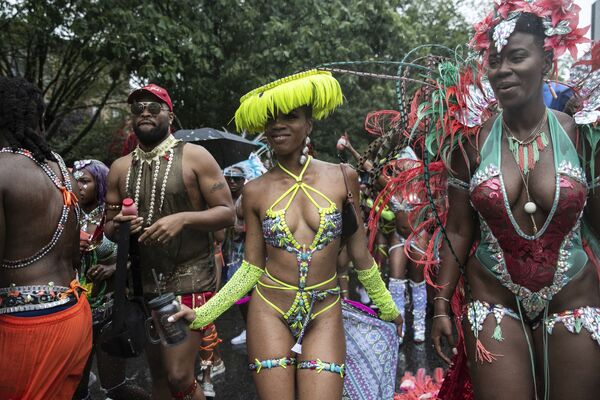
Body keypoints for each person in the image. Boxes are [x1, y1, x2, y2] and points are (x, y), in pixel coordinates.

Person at [170, 70, 403, 399]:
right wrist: (204, 313)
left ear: (309, 124)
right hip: (270, 310)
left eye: (290, 117)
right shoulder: (254, 191)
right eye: (270, 119)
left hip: (324, 309)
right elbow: (251, 267)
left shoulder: (342, 176)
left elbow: (360, 254)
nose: (278, 125)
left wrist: (389, 309)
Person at [427, 5, 600, 399]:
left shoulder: (584, 139)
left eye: (517, 57)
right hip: (493, 299)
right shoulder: (468, 144)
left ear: (547, 60)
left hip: (574, 296)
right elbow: (457, 230)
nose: (502, 70)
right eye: (494, 61)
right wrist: (440, 306)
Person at [104, 84, 235, 400]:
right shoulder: (120, 168)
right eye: (138, 109)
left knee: (179, 376)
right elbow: (107, 228)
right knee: (160, 378)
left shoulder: (196, 157)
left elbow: (227, 213)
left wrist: (183, 219)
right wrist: (119, 225)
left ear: (170, 115)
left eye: (153, 107)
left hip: (190, 278)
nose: (145, 113)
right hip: (143, 285)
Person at [0, 76, 92, 399]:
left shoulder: (3, 169)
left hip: (29, 329)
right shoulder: (60, 168)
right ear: (38, 118)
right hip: (74, 315)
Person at [72, 159, 149, 400]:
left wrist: (112, 268)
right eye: (75, 181)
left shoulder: (115, 218)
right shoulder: (66, 215)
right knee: (76, 391)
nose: (78, 186)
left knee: (115, 389)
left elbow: (139, 258)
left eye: (85, 181)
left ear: (101, 183)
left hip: (108, 314)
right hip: (74, 316)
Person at [222, 165, 249, 345]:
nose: (231, 181)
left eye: (236, 179)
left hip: (248, 254)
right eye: (228, 178)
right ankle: (248, 327)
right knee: (238, 296)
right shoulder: (222, 199)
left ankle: (252, 328)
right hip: (229, 254)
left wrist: (238, 227)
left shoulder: (247, 198)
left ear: (243, 181)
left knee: (250, 295)